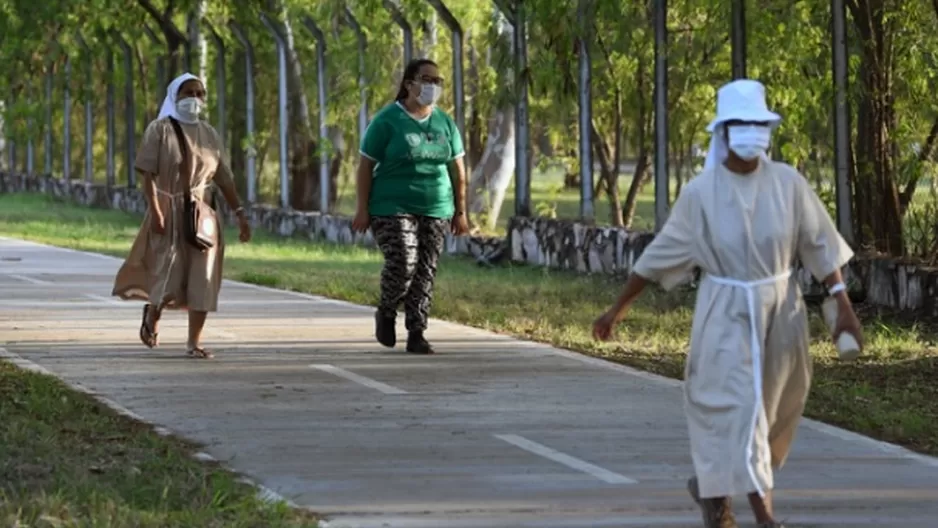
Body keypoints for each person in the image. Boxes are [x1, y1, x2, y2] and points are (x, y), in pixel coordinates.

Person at [592, 79, 863, 528]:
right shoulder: (702, 194)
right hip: (726, 314)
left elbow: (819, 243)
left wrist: (842, 302)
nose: (752, 132)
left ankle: (712, 486)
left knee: (777, 410)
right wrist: (617, 309)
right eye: (742, 124)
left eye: (759, 123)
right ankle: (766, 520)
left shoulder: (788, 183)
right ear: (724, 132)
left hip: (782, 314)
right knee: (741, 412)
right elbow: (658, 256)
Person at [112, 73, 251, 359]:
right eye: (188, 92)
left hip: (203, 215)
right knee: (169, 274)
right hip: (169, 209)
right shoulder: (159, 130)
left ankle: (194, 342)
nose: (194, 99)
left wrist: (240, 213)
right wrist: (156, 211)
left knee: (204, 276)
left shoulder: (210, 135)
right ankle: (154, 311)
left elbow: (224, 178)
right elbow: (148, 175)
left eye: (199, 93)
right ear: (175, 96)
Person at [351, 58, 470, 354]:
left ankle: (417, 331)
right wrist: (362, 208)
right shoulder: (387, 120)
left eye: (437, 81)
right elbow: (365, 166)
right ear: (409, 84)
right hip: (391, 204)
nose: (432, 86)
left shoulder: (445, 122)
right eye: (426, 80)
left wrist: (461, 211)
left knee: (425, 268)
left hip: (437, 205)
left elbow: (458, 170)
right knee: (404, 261)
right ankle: (387, 310)